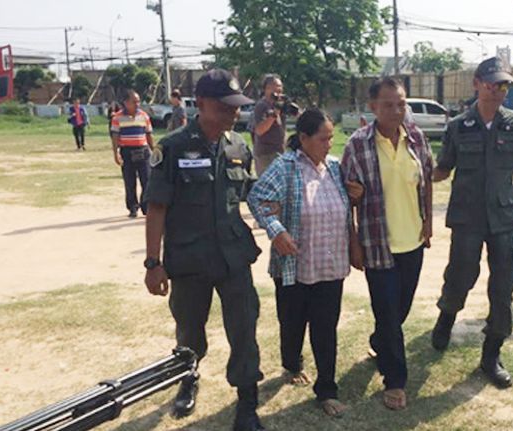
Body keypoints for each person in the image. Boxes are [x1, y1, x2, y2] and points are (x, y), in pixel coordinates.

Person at [143, 69, 265, 431]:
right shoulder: (173, 147)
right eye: (227, 107)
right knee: (190, 330)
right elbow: (157, 207)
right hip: (189, 258)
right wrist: (153, 262)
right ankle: (188, 377)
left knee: (244, 328)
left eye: (237, 107)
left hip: (233, 255)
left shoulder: (237, 145)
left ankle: (247, 401)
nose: (235, 113)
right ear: (204, 104)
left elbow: (252, 195)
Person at [430, 57, 513, 389]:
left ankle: (491, 353)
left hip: (504, 216)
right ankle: (447, 315)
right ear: (476, 83)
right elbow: (443, 168)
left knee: (504, 285)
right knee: (461, 274)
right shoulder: (458, 126)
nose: (498, 90)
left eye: (503, 84)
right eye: (492, 83)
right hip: (467, 216)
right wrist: (415, 175)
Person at [247, 108, 351, 418]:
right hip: (295, 266)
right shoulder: (286, 166)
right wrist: (276, 231)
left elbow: (348, 204)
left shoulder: (333, 168)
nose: (329, 144)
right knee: (292, 322)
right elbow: (257, 198)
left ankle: (327, 389)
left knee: (326, 328)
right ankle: (292, 364)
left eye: (332, 138)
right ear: (303, 138)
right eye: (323, 138)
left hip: (330, 266)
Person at [341, 77, 433, 411]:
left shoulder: (416, 137)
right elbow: (344, 198)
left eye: (401, 104)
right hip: (377, 243)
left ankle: (379, 342)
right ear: (373, 107)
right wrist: (354, 243)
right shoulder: (357, 145)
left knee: (399, 310)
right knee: (389, 313)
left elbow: (427, 179)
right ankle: (395, 380)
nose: (397, 111)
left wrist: (429, 222)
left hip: (413, 242)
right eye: (389, 105)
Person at [110, 90, 155, 218]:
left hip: (143, 151)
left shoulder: (144, 116)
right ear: (126, 103)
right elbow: (115, 137)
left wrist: (154, 151)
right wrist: (115, 153)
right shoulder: (117, 117)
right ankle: (133, 207)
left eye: (138, 101)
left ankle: (146, 206)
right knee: (129, 182)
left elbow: (149, 134)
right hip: (127, 152)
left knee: (147, 180)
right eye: (134, 102)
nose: (137, 104)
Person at [252, 74, 286, 176]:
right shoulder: (262, 106)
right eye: (275, 87)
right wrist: (274, 115)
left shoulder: (280, 104)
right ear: (267, 89)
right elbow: (259, 130)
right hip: (265, 154)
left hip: (280, 152)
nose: (278, 90)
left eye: (280, 88)